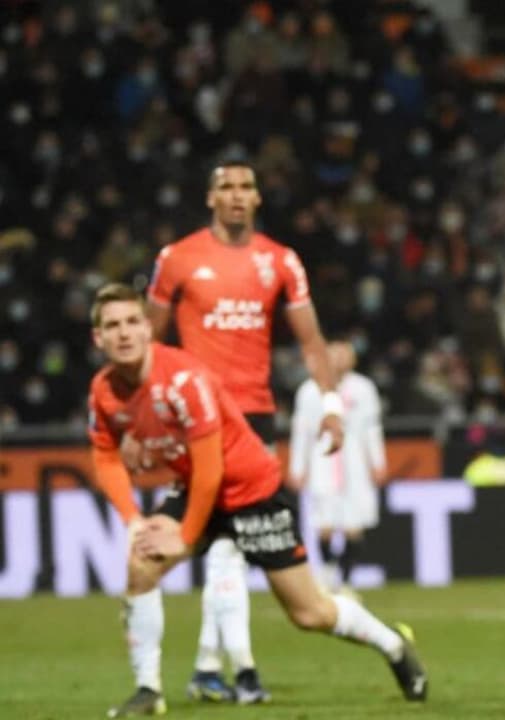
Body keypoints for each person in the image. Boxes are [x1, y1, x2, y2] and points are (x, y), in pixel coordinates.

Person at [85, 283, 426, 718]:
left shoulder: (184, 380)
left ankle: (393, 645)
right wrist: (133, 519)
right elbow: (105, 454)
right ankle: (148, 690)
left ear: (148, 328)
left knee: (310, 614)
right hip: (197, 486)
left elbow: (212, 468)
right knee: (142, 562)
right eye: (112, 325)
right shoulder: (104, 390)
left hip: (251, 490)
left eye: (133, 321)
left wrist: (184, 536)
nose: (124, 333)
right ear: (98, 337)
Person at [141, 161, 347, 702]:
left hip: (253, 420)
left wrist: (330, 404)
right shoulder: (177, 258)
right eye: (226, 187)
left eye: (246, 187)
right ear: (210, 198)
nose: (236, 195)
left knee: (226, 547)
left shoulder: (280, 260)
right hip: (196, 416)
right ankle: (219, 668)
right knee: (221, 547)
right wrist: (145, 417)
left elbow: (311, 341)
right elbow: (148, 344)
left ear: (257, 198)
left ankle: (211, 668)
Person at [289, 340, 387, 592]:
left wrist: (378, 462)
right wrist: (297, 467)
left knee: (354, 528)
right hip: (322, 461)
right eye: (335, 355)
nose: (340, 360)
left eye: (345, 355)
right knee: (324, 527)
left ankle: (345, 581)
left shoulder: (364, 388)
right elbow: (301, 432)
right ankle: (327, 573)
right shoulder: (309, 390)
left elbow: (372, 430)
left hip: (355, 464)